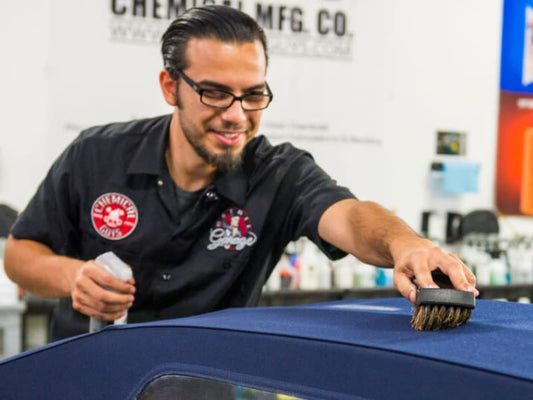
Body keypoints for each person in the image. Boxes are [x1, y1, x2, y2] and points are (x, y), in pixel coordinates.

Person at [4, 5, 478, 341]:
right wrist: (75, 277)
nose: (236, 115)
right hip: (87, 376)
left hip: (203, 384)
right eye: (214, 93)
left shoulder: (279, 173)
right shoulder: (96, 154)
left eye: (253, 95)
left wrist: (406, 244)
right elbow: (20, 254)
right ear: (171, 86)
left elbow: (351, 217)